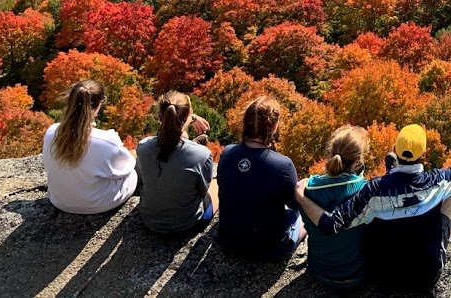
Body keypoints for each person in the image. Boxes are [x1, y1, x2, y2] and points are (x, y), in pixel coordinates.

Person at [296, 124, 451, 292]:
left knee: (379, 209)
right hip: (427, 276)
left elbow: (331, 224)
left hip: (384, 272)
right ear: (424, 155)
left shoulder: (373, 190)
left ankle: (392, 174)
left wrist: (301, 196)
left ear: (395, 149)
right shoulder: (438, 179)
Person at [215, 95, 303, 260]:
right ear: (274, 126)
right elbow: (294, 204)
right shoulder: (283, 165)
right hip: (266, 248)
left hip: (227, 240)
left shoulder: (227, 153)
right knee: (303, 216)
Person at [42, 79, 137, 214]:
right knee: (133, 172)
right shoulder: (106, 140)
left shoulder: (52, 132)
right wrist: (131, 153)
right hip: (97, 205)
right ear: (98, 104)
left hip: (59, 201)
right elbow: (125, 168)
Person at [134, 91, 217, 234]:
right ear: (188, 116)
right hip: (186, 224)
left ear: (159, 116)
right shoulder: (202, 155)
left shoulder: (143, 147)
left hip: (148, 219)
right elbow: (203, 192)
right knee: (217, 184)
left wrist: (192, 117)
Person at [299, 125, 370, 291]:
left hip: (319, 271)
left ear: (330, 153)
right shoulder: (367, 191)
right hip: (357, 274)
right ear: (359, 160)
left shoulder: (307, 189)